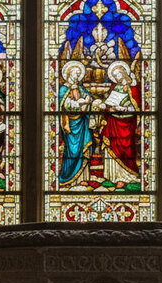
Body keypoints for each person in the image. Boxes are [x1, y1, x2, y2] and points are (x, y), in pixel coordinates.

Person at [101, 60, 140, 189]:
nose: (117, 78)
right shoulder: (114, 88)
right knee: (111, 146)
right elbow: (109, 104)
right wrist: (110, 109)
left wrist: (125, 109)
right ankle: (113, 176)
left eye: (119, 75)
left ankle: (127, 176)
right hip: (113, 121)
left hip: (127, 122)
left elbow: (137, 107)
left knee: (126, 148)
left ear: (124, 73)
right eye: (115, 76)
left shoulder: (133, 88)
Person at [58, 60, 94, 189]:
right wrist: (79, 103)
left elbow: (89, 97)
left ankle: (83, 178)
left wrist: (88, 100)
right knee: (72, 151)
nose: (77, 76)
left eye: (79, 73)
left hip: (82, 122)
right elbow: (64, 105)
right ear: (68, 74)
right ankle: (69, 176)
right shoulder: (63, 89)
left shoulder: (80, 88)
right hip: (71, 124)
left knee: (84, 147)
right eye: (75, 73)